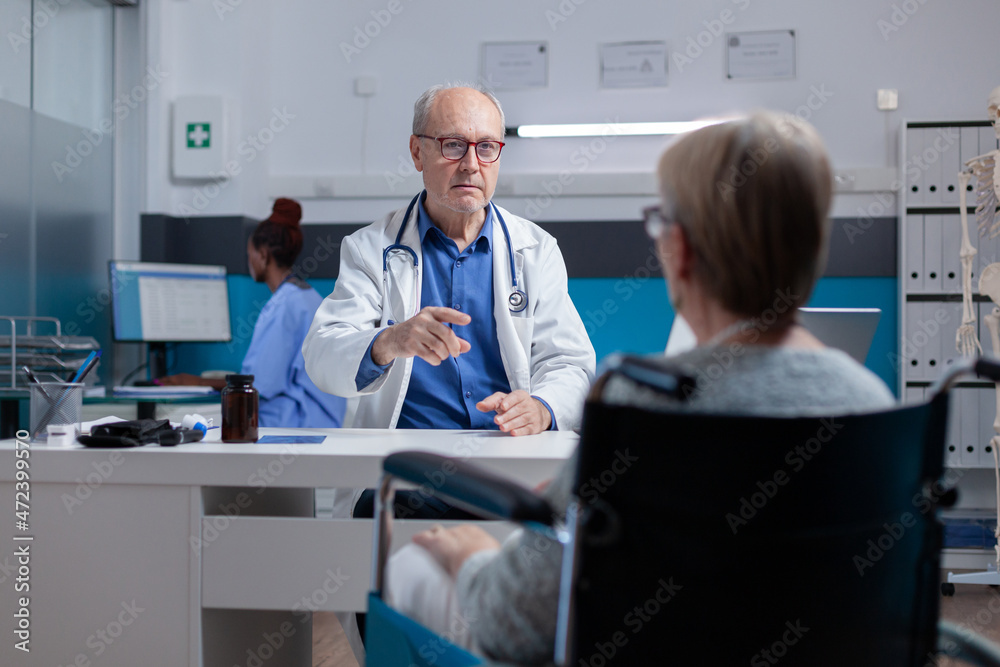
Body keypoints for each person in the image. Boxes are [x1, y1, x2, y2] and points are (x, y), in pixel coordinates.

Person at [389, 111, 897, 664]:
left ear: (679, 250)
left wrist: (472, 559)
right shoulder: (872, 403)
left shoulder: (641, 405)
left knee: (412, 566)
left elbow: (516, 622)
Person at [302, 83, 595, 499]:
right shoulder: (370, 249)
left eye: (487, 147)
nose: (471, 165)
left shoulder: (536, 251)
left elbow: (570, 363)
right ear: (417, 152)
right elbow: (322, 354)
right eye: (453, 145)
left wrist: (542, 407)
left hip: (508, 465)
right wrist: (388, 341)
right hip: (406, 471)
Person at [160, 198, 346, 429]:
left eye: (250, 254)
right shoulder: (308, 297)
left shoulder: (284, 306)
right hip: (323, 421)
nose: (249, 261)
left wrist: (195, 381)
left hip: (295, 426)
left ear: (263, 255)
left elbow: (259, 384)